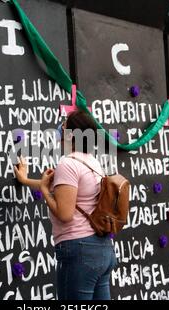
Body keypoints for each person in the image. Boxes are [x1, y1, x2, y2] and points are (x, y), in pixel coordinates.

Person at [14, 110, 117, 300]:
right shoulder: (92, 162)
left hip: (80, 251)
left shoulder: (68, 164)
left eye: (64, 124)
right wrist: (26, 180)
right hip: (102, 250)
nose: (61, 128)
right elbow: (63, 190)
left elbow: (65, 213)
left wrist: (44, 192)